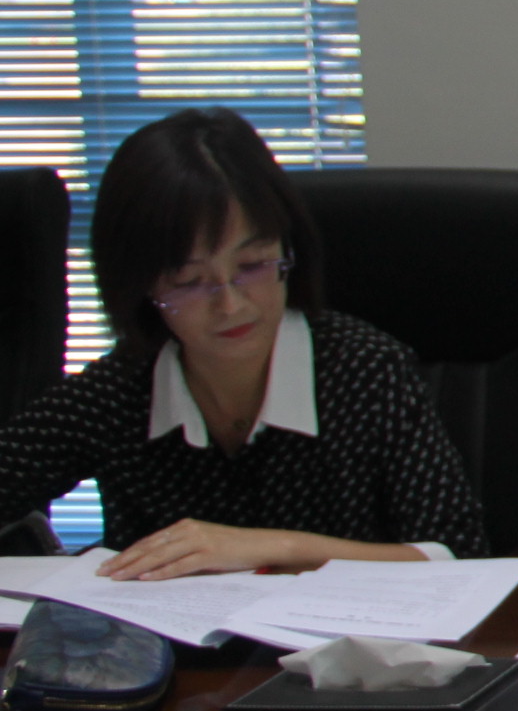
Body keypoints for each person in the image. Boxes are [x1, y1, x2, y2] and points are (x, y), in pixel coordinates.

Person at [0, 110, 486, 572]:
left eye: (252, 266)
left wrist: (276, 547)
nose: (230, 305)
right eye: (190, 281)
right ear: (142, 287)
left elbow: (458, 555)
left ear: (288, 251)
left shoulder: (366, 370)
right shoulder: (121, 389)